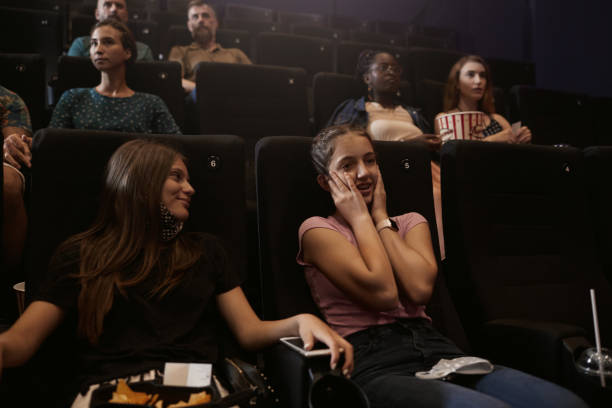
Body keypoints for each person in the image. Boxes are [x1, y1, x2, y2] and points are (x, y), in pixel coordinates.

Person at [0, 139, 353, 407]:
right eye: (176, 177)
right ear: (141, 183)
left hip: (197, 387)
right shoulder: (81, 254)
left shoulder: (205, 251)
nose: (191, 188)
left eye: (189, 179)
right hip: (110, 391)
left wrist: (300, 322)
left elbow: (249, 332)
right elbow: (19, 344)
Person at [297, 123, 586, 408]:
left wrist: (381, 218)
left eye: (370, 160)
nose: (364, 173)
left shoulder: (411, 222)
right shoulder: (318, 231)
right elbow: (384, 294)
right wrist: (361, 219)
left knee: (565, 402)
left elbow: (419, 289)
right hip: (374, 362)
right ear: (326, 182)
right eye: (348, 165)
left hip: (437, 348)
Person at [50, 19, 180, 134]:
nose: (98, 50)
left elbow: (178, 145)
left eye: (108, 42)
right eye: (94, 43)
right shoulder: (73, 98)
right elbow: (51, 144)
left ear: (127, 52)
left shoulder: (151, 104)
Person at [327, 49, 439, 149]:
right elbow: (332, 146)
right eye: (383, 67)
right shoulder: (353, 109)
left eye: (396, 69)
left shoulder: (413, 113)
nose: (391, 72)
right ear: (367, 78)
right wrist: (409, 145)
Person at [435, 55, 532, 143]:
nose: (478, 81)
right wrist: (492, 139)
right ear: (457, 83)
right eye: (470, 74)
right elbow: (452, 157)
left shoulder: (498, 120)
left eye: (482, 76)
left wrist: (522, 138)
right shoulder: (444, 119)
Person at [169, 0, 252, 94]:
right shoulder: (179, 51)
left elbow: (254, 80)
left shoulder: (236, 53)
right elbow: (173, 80)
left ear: (215, 23)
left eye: (205, 15)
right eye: (195, 16)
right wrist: (206, 92)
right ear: (189, 25)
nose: (200, 20)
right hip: (198, 102)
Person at [1, 86, 32, 274]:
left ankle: (8, 280)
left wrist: (12, 142)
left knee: (8, 183)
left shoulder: (7, 99)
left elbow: (18, 148)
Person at [68, 0, 154, 62]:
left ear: (126, 16)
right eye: (107, 5)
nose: (113, 9)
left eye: (119, 6)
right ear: (97, 14)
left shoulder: (143, 50)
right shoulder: (81, 45)